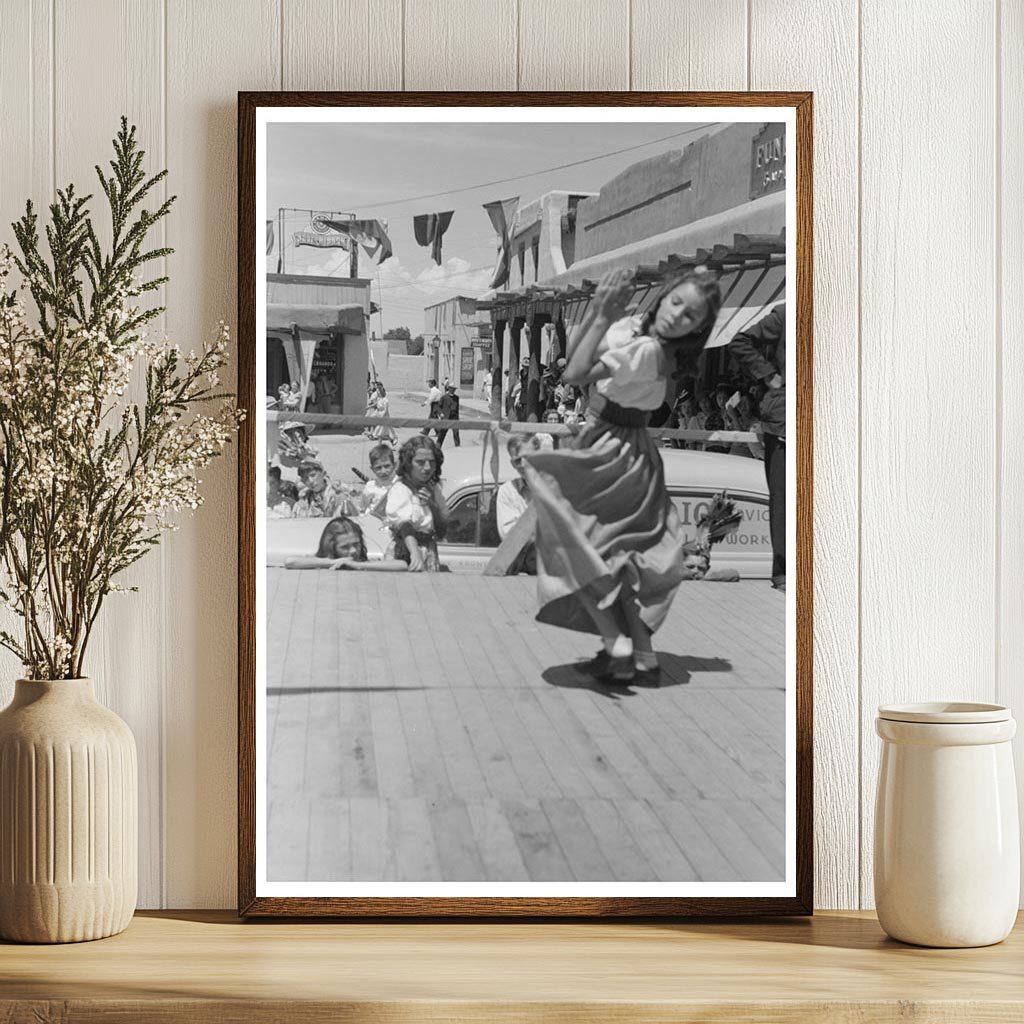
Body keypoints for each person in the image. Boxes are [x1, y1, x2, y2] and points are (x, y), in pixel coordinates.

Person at [522, 266, 723, 683]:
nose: (677, 315)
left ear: (698, 328)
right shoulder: (643, 337)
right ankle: (642, 652)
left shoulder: (647, 349)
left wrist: (599, 314)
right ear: (665, 296)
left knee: (576, 543)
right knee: (613, 555)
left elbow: (574, 375)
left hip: (609, 449)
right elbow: (574, 356)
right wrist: (601, 315)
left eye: (690, 316)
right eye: (676, 303)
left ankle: (617, 641)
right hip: (630, 449)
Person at [728, 303, 786, 591]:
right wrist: (767, 375)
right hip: (785, 422)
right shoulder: (788, 314)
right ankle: (784, 571)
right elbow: (740, 341)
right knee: (784, 498)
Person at [385, 435, 450, 572]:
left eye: (431, 462)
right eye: (420, 462)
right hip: (406, 552)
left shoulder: (434, 490)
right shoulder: (400, 489)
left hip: (429, 550)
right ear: (408, 464)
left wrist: (433, 505)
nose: (427, 467)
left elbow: (441, 531)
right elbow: (404, 525)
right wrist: (415, 553)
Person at [285, 516, 408, 571]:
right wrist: (332, 562)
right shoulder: (320, 563)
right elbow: (290, 561)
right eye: (345, 547)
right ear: (331, 547)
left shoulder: (365, 563)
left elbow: (402, 565)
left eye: (356, 544)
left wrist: (357, 565)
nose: (353, 551)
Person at [496, 435, 538, 575]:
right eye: (518, 460)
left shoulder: (555, 486)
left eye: (529, 457)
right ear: (513, 464)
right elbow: (511, 536)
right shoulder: (507, 491)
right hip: (517, 577)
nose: (524, 464)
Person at [292, 458, 356, 518]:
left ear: (323, 474)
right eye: (306, 478)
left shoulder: (338, 494)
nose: (310, 481)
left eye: (313, 475)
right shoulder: (304, 500)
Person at [360, 443, 396, 518]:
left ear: (394, 465)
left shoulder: (399, 484)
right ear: (372, 469)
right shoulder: (370, 487)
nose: (383, 471)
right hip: (374, 522)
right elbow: (363, 507)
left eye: (387, 466)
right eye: (378, 468)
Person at [436, 383, 461, 447]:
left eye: (454, 389)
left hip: (454, 418)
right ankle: (438, 446)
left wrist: (457, 418)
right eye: (452, 388)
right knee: (442, 433)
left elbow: (457, 408)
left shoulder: (456, 398)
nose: (453, 390)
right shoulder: (444, 397)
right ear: (449, 388)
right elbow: (438, 407)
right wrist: (441, 413)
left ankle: (457, 446)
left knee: (456, 433)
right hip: (446, 417)